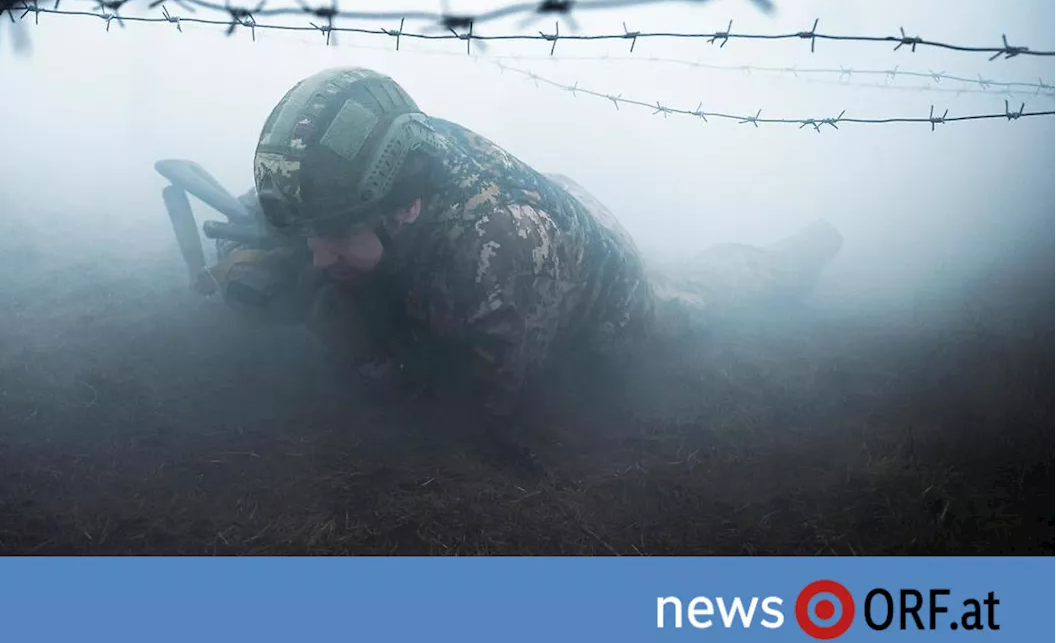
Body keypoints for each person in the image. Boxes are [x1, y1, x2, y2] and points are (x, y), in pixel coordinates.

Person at [202, 66, 841, 419]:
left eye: (338, 237)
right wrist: (249, 255)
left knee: (694, 295)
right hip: (544, 208)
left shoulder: (496, 262)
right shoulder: (376, 162)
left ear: (407, 209)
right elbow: (293, 199)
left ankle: (800, 253)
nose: (318, 255)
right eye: (313, 237)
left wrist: (361, 351)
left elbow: (476, 395)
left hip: (591, 275)